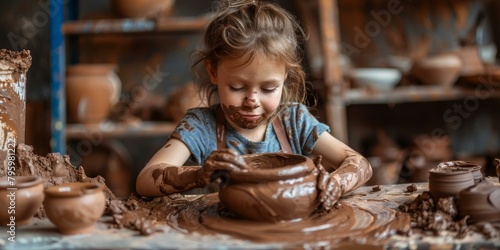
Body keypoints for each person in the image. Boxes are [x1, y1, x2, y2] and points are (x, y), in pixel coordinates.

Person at [136, 0, 372, 211]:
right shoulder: (200, 126)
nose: (252, 101)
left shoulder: (295, 121)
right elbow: (145, 180)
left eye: (269, 89)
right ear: (213, 71)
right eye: (237, 87)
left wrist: (335, 184)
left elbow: (360, 163)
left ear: (285, 78)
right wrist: (198, 175)